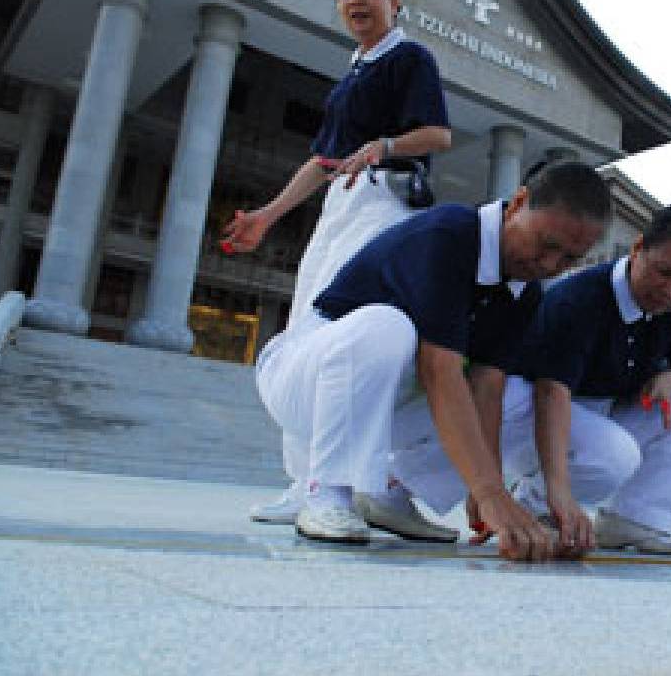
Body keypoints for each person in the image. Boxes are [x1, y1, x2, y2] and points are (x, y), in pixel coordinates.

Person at [254, 162, 611, 561]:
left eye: (569, 259)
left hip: (384, 400)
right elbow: (439, 370)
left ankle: (390, 493)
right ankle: (327, 492)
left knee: (516, 399)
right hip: (305, 378)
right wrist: (489, 493)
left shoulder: (523, 294)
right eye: (546, 244)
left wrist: (486, 488)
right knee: (387, 325)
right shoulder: (449, 234)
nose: (549, 265)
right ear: (518, 203)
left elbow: (486, 390)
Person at [231, 0, 451, 525]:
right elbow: (322, 159)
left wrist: (386, 145)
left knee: (357, 330)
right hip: (340, 205)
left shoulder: (408, 58)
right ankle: (304, 482)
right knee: (307, 326)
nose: (356, 0)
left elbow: (438, 134)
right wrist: (271, 214)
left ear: (396, 1)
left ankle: (369, 485)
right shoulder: (353, 72)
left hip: (383, 203)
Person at [457, 204, 671, 556]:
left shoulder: (670, 305)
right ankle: (535, 506)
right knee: (615, 453)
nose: (670, 289)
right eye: (663, 272)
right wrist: (559, 492)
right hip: (526, 408)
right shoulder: (581, 299)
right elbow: (551, 393)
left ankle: (636, 519)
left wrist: (668, 375)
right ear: (637, 248)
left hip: (595, 414)